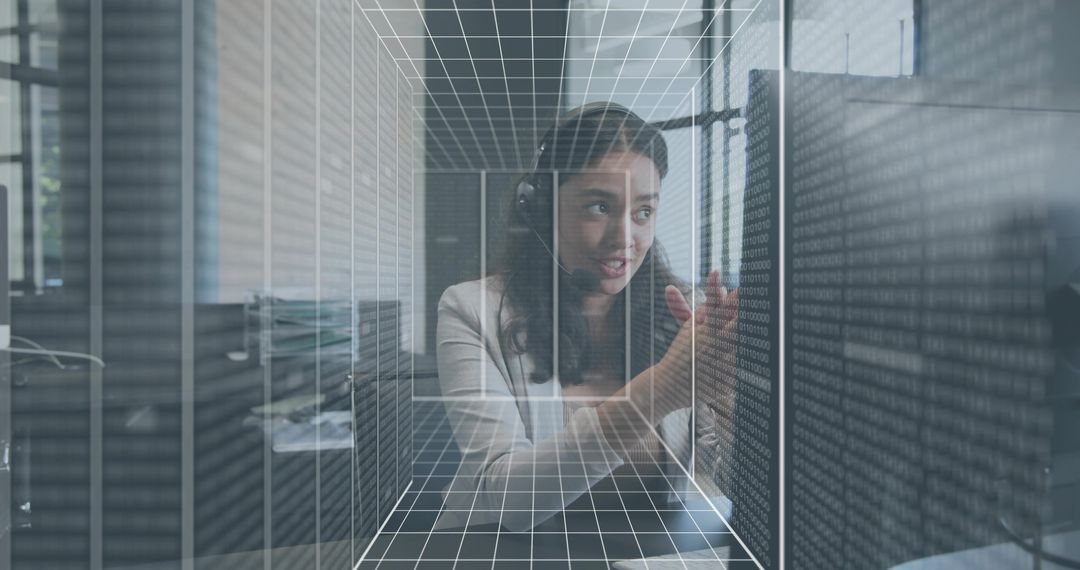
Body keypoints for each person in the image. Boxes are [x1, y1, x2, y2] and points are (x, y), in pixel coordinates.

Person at [434, 103, 737, 532]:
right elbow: (505, 502)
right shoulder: (469, 310)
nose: (624, 238)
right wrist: (664, 387)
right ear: (540, 209)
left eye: (644, 212)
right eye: (598, 207)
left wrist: (727, 399)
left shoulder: (683, 310)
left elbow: (737, 485)